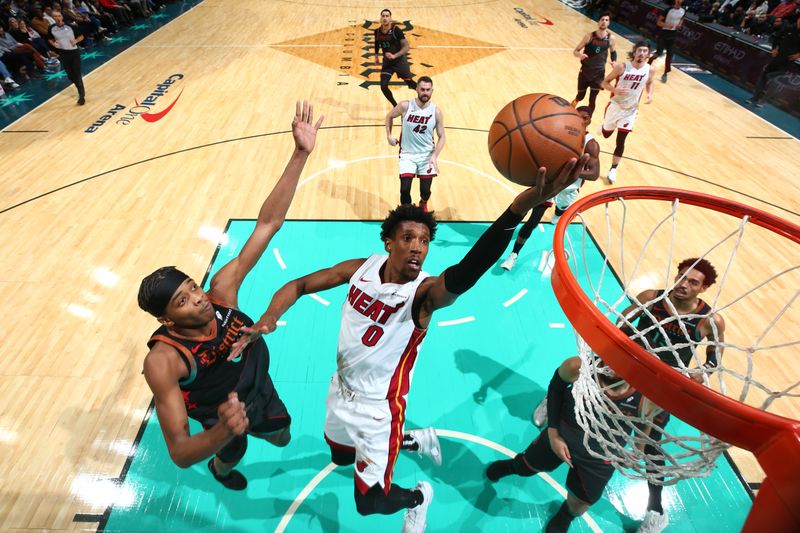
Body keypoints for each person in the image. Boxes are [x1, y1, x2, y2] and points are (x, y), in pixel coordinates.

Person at [231, 155, 589, 531]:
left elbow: (469, 271)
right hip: (340, 390)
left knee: (369, 504)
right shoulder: (362, 268)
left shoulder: (425, 294)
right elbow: (298, 284)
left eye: (424, 240)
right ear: (388, 243)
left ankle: (419, 498)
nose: (418, 247)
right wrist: (269, 316)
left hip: (379, 408)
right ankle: (415, 440)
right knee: (339, 457)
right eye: (408, 238)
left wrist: (517, 209)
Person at [137, 102, 323, 491]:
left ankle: (237, 441)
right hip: (218, 411)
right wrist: (222, 429)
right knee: (231, 452)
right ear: (166, 321)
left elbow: (268, 224)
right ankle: (221, 472)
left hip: (257, 385)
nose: (198, 298)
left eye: (192, 286)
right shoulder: (164, 360)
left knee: (282, 437)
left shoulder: (221, 290)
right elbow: (181, 453)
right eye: (183, 301)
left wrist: (299, 154)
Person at [487, 356, 668, 533]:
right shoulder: (578, 367)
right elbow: (556, 388)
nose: (610, 365)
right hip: (564, 435)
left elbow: (645, 424)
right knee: (525, 466)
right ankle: (512, 466)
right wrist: (553, 433)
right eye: (610, 355)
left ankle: (565, 515)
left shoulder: (647, 395)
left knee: (580, 501)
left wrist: (638, 450)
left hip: (601, 455)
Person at [616, 257, 726, 533]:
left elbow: (715, 356)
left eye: (693, 282)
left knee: (651, 447)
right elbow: (623, 323)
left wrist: (704, 372)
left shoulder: (709, 320)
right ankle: (556, 404)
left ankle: (656, 510)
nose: (684, 284)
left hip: (662, 384)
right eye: (682, 276)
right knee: (588, 382)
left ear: (703, 288)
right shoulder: (652, 298)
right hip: (630, 367)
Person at [500, 106, 600, 271]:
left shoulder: (591, 145)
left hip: (569, 188)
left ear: (590, 121)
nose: (582, 121)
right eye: (578, 116)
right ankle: (514, 254)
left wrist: (570, 171)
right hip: (552, 185)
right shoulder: (561, 134)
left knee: (561, 211)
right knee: (532, 221)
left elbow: (595, 174)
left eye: (585, 118)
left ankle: (558, 213)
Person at [385, 76, 445, 212]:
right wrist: (389, 136)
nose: (425, 92)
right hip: (407, 154)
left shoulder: (436, 112)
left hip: (426, 156)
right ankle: (407, 213)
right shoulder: (405, 106)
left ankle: (423, 202)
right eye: (422, 89)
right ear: (416, 89)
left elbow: (442, 137)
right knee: (404, 189)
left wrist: (435, 156)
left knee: (425, 191)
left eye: (428, 90)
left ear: (432, 91)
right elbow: (389, 116)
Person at [600, 41, 655, 183]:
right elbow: (604, 82)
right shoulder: (622, 67)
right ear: (635, 52)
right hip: (615, 106)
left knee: (621, 140)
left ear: (648, 55)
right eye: (639, 50)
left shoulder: (650, 69)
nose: (642, 53)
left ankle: (613, 169)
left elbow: (649, 82)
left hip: (631, 110)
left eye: (645, 51)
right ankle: (603, 127)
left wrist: (650, 94)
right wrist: (614, 90)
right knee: (606, 134)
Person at [747, 13, 800, 108]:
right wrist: (774, 48)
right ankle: (754, 97)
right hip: (777, 57)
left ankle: (762, 101)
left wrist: (799, 54)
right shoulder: (789, 28)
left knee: (775, 82)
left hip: (787, 61)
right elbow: (777, 37)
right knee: (763, 77)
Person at [570, 12, 617, 116]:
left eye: (606, 20)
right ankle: (572, 106)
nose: (604, 22)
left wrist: (614, 61)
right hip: (585, 72)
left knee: (592, 99)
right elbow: (576, 51)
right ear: (598, 22)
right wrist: (580, 55)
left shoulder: (611, 38)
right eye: (602, 19)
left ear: (609, 23)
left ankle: (588, 120)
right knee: (580, 96)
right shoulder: (589, 36)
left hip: (598, 74)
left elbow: (613, 52)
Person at [374, 8, 417, 107]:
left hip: (399, 62)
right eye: (383, 16)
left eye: (387, 16)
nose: (385, 18)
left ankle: (424, 96)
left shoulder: (396, 30)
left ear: (390, 18)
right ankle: (395, 106)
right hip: (387, 63)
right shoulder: (376, 31)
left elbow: (406, 47)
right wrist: (376, 56)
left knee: (410, 83)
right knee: (383, 86)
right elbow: (376, 43)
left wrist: (395, 55)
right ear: (380, 18)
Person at [47, 11, 86, 105]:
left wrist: (76, 41)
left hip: (74, 52)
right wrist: (53, 44)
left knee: (76, 73)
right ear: (53, 18)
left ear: (62, 17)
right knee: (70, 75)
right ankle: (78, 86)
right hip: (63, 53)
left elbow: (82, 36)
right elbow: (49, 39)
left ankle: (81, 96)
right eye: (55, 16)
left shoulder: (70, 26)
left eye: (59, 16)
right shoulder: (51, 28)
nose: (57, 18)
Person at [648, 0, 686, 83]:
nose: (680, 1)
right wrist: (668, 25)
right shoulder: (668, 10)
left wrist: (680, 24)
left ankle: (665, 73)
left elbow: (682, 19)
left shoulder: (683, 11)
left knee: (670, 55)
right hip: (664, 34)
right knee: (658, 53)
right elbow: (658, 22)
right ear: (675, 1)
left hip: (673, 35)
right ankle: (648, 65)